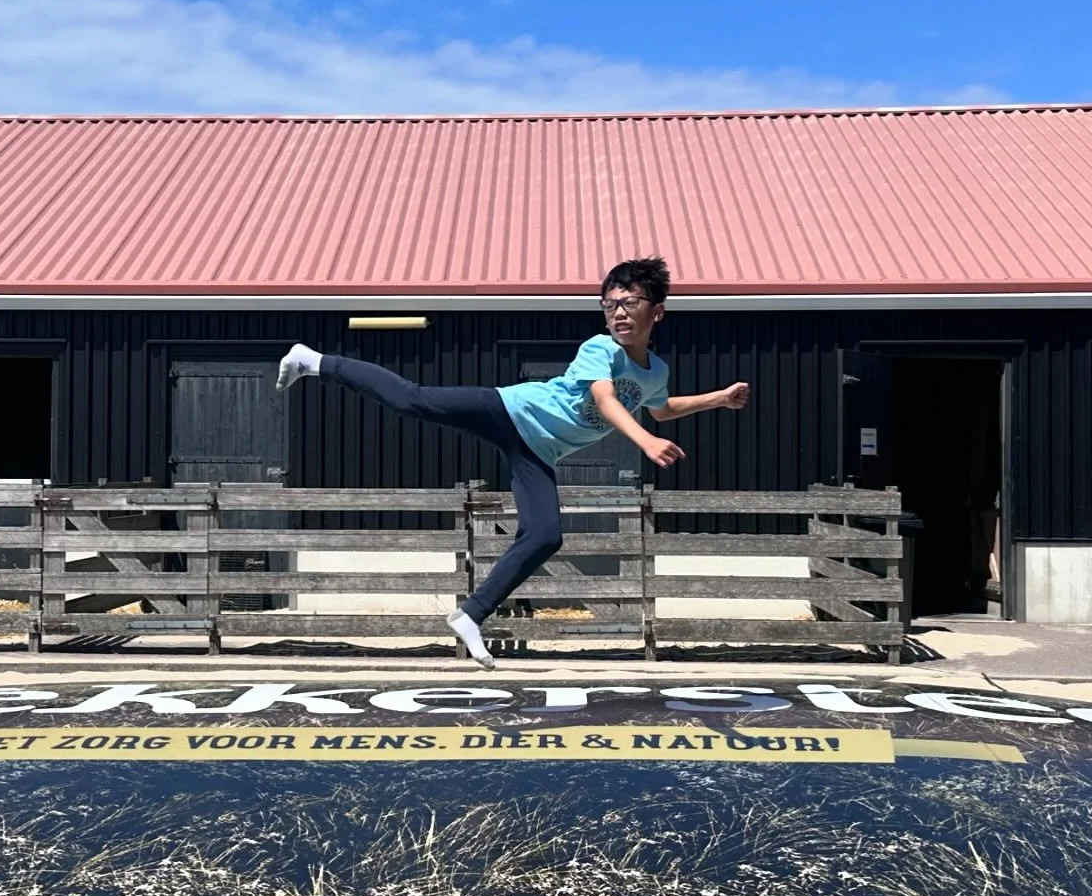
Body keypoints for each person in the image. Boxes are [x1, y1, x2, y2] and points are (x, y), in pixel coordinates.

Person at [276, 257, 749, 668]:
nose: (620, 313)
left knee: (545, 535)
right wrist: (645, 441)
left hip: (538, 449)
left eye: (631, 303)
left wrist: (719, 400)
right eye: (611, 304)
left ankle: (470, 614)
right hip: (509, 411)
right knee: (413, 400)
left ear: (657, 310)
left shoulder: (655, 370)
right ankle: (314, 361)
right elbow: (605, 399)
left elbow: (662, 407)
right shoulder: (600, 348)